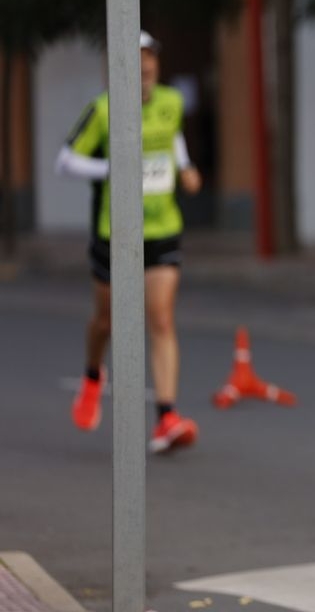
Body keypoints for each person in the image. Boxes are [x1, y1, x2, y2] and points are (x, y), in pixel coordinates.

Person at [56, 30, 203, 454]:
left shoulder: (170, 102)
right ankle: (90, 376)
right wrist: (111, 169)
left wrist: (186, 166)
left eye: (150, 69)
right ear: (118, 71)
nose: (145, 77)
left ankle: (167, 417)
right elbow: (63, 161)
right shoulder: (102, 111)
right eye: (137, 70)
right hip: (114, 232)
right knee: (106, 321)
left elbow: (171, 136)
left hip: (162, 228)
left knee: (159, 317)